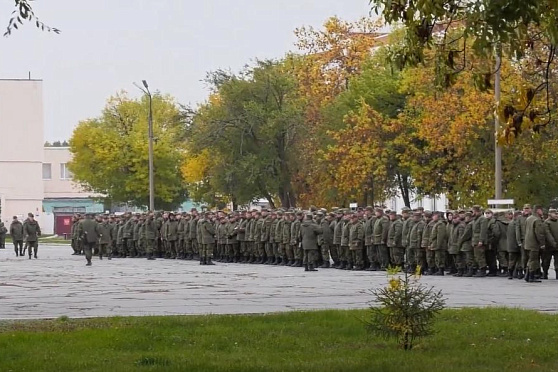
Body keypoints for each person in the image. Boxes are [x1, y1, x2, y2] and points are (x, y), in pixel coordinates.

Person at [524, 205, 545, 283]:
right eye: (541, 210)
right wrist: (542, 243)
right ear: (538, 210)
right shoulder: (537, 220)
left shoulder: (528, 218)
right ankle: (531, 277)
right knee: (534, 260)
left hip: (527, 242)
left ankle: (527, 275)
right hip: (534, 243)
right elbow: (539, 233)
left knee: (530, 259)